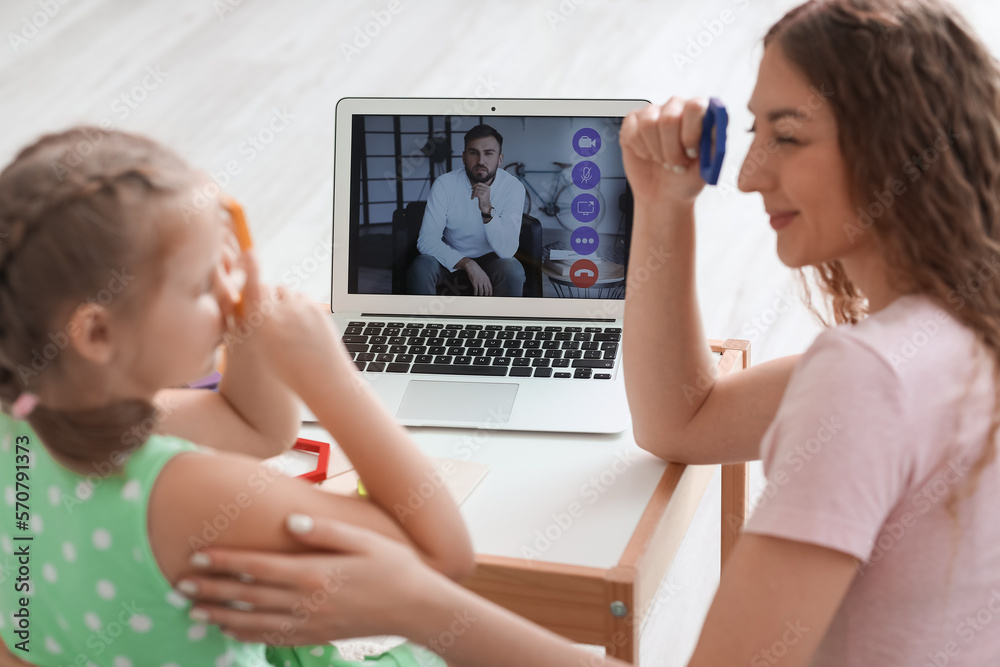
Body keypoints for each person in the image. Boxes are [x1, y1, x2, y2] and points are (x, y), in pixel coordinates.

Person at [160, 0, 1000, 665]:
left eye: (787, 135)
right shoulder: (959, 331)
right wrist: (662, 203)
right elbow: (684, 420)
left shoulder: (869, 376)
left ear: (900, 149)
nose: (747, 175)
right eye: (752, 134)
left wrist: (414, 599)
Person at [0, 127, 473, 666]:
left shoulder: (27, 416)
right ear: (97, 334)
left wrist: (247, 318)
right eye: (204, 286)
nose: (231, 296)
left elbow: (255, 428)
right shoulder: (189, 492)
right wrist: (332, 380)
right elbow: (439, 557)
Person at [406, 124, 527, 297]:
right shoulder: (445, 184)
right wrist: (467, 263)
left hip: (492, 257)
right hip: (452, 256)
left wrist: (487, 211)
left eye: (488, 153)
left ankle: (504, 322)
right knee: (421, 266)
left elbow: (507, 251)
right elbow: (427, 240)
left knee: (512, 268)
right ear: (463, 157)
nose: (480, 161)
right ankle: (422, 323)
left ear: (500, 159)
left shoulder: (513, 187)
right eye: (473, 152)